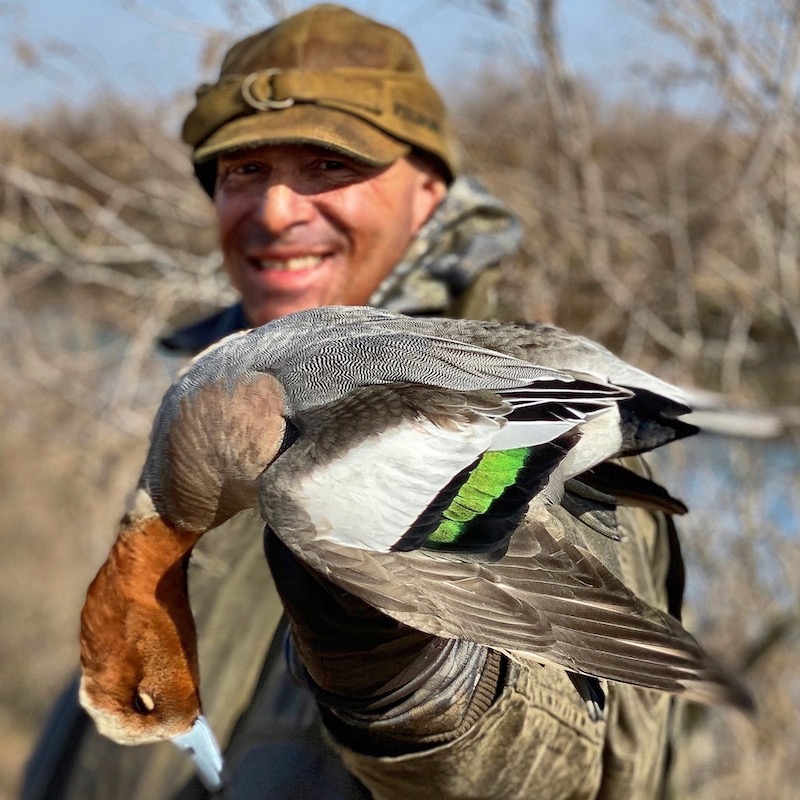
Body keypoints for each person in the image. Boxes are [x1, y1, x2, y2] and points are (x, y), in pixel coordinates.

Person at [22, 5, 683, 799]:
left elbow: (558, 767)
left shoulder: (505, 417)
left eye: (329, 166)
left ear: (429, 193)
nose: (274, 211)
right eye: (244, 171)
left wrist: (407, 676)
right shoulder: (216, 420)